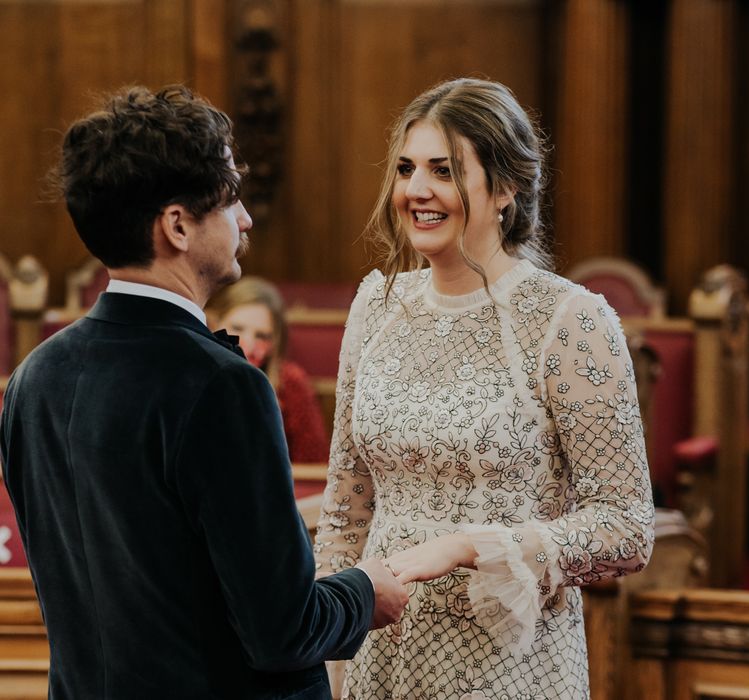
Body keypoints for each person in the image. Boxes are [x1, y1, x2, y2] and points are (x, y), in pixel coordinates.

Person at [0, 85, 408, 700]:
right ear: (179, 225)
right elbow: (283, 632)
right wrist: (364, 590)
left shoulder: (33, 376)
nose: (245, 219)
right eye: (231, 200)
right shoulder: (220, 386)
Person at [314, 77, 654, 699]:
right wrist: (325, 654)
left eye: (443, 171)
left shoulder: (568, 320)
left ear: (505, 188)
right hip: (380, 654)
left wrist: (477, 545)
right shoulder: (377, 303)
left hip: (509, 661)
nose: (416, 191)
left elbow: (626, 528)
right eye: (406, 169)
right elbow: (346, 506)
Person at [207, 276, 329, 463]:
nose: (246, 342)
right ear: (216, 324)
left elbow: (313, 461)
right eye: (237, 328)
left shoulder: (290, 383)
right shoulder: (198, 374)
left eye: (262, 335)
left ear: (275, 342)